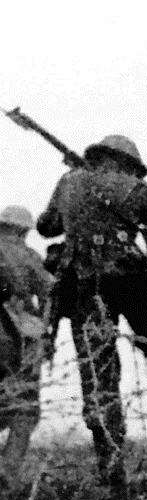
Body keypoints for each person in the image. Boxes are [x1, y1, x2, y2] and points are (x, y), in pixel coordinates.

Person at [37, 135, 147, 495]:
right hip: (128, 283)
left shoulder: (69, 182)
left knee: (97, 377)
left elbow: (47, 226)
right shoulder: (134, 187)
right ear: (127, 164)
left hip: (80, 285)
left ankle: (111, 472)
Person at [0, 206, 53, 483]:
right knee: (25, 408)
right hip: (17, 335)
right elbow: (50, 294)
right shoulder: (29, 256)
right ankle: (7, 471)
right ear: (24, 230)